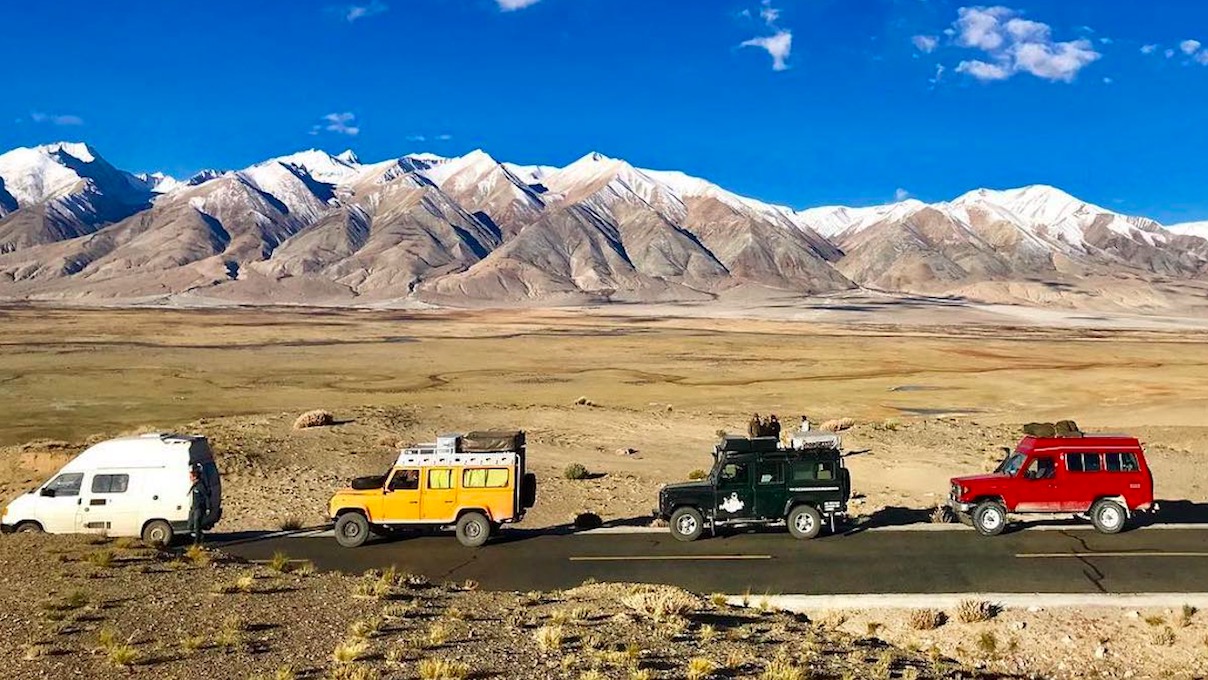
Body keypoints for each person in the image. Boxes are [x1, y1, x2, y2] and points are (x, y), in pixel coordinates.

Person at [187, 466, 210, 546]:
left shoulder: (200, 485)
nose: (190, 478)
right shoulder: (194, 485)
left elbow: (206, 496)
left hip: (199, 508)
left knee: (197, 524)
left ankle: (197, 542)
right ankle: (199, 535)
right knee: (190, 524)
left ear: (195, 476)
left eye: (191, 476)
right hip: (193, 507)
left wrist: (207, 507)